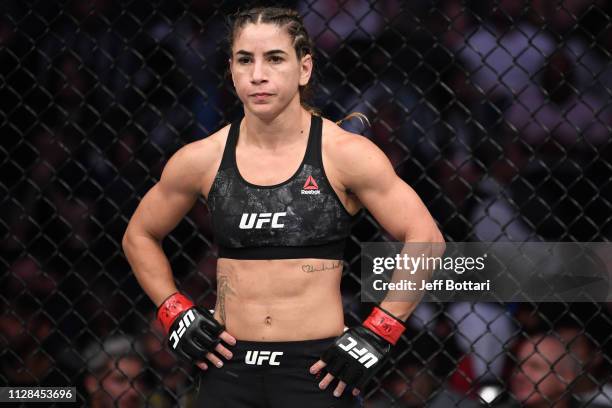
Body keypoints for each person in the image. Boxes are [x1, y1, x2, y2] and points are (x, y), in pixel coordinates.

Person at [122, 6, 443, 408]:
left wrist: (381, 329)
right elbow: (139, 235)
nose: (258, 74)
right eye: (245, 60)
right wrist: (174, 310)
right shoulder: (202, 159)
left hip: (317, 370)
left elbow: (426, 237)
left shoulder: (344, 153)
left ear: (304, 68)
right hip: (228, 365)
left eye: (274, 58)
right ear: (232, 71)